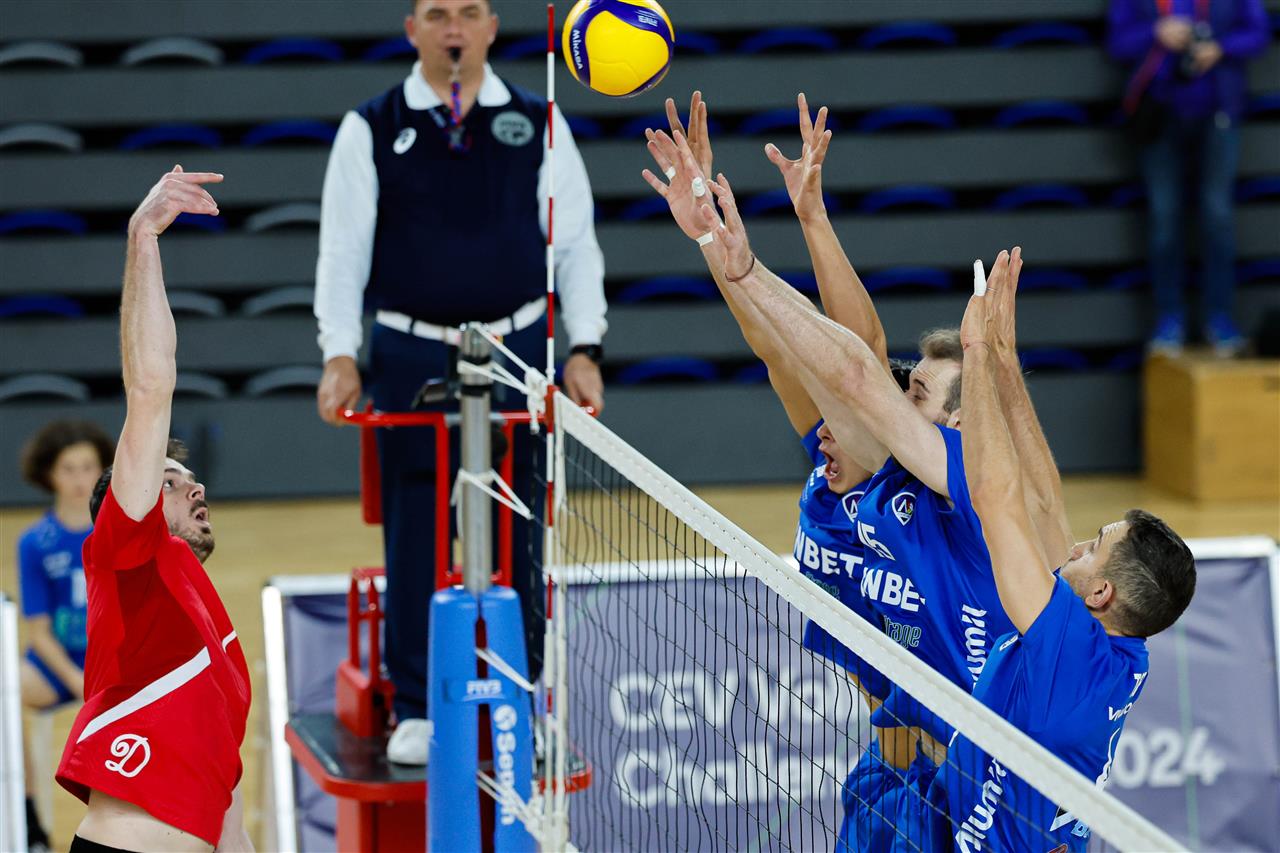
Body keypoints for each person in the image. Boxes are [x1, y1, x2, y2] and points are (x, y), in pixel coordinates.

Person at [642, 115, 1072, 852]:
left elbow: (860, 360)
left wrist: (759, 239)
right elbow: (786, 347)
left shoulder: (950, 491)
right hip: (891, 771)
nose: (887, 404)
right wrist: (717, 234)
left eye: (917, 396)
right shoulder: (844, 465)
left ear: (958, 424)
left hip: (968, 787)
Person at [313, 0, 607, 763]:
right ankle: (418, 703)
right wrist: (339, 352)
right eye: (437, 14)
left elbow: (575, 244)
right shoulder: (369, 126)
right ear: (411, 28)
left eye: (469, 12)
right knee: (413, 530)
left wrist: (585, 346)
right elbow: (341, 252)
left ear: (491, 27)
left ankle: (520, 695)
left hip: (517, 347)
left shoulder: (538, 120)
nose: (454, 28)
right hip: (410, 353)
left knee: (521, 531)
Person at [922, 250, 1197, 851]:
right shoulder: (1120, 649)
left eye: (1093, 547)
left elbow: (996, 501)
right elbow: (1044, 502)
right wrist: (1004, 360)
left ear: (1102, 592)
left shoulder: (1071, 650)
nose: (1073, 545)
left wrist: (974, 354)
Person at [54, 167, 252, 853]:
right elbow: (150, 385)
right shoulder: (128, 556)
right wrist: (143, 236)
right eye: (171, 480)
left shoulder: (221, 648)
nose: (195, 489)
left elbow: (226, 813)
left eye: (192, 480)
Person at [1107, 0, 1270, 357]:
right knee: (1164, 218)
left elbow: (1258, 32)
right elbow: (1118, 42)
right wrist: (1156, 33)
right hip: (1159, 115)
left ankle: (1220, 320)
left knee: (1218, 215)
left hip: (1219, 111)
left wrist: (1221, 48)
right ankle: (1170, 321)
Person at [16, 419, 114, 851]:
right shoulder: (36, 542)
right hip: (59, 666)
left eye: (88, 467)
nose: (79, 480)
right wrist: (76, 679)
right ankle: (28, 821)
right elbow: (38, 631)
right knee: (6, 694)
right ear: (49, 474)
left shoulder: (117, 531)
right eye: (68, 469)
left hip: (112, 662)